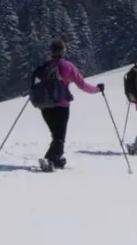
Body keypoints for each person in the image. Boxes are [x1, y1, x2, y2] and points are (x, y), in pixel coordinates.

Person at [29, 40, 102, 170]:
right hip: (61, 106)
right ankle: (50, 159)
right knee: (59, 137)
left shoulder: (44, 66)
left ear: (51, 51)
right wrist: (97, 89)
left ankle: (57, 159)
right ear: (63, 50)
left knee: (56, 135)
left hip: (45, 106)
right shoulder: (67, 66)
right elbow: (82, 85)